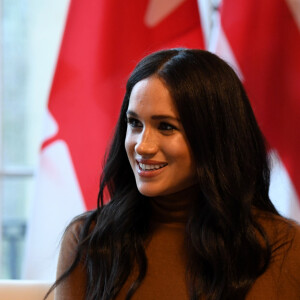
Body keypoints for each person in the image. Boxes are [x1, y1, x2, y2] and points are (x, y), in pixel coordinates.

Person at [47, 49, 300, 300]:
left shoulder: (286, 246)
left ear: (215, 136)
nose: (142, 146)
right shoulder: (89, 239)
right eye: (135, 123)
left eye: (166, 127)